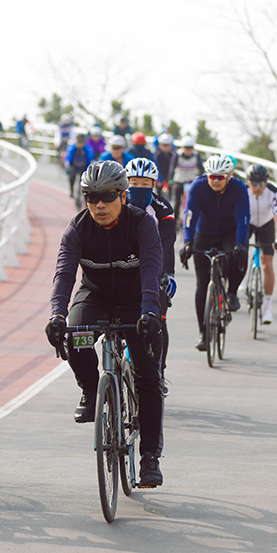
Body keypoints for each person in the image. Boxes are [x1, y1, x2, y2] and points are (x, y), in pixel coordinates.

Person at [45, 160, 166, 486]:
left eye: (108, 196)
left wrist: (150, 312)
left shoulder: (141, 224)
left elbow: (151, 270)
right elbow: (64, 274)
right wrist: (56, 314)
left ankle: (150, 456)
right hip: (95, 296)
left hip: (138, 300)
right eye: (91, 197)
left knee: (147, 376)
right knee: (75, 337)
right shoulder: (77, 229)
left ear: (123, 196)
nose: (99, 205)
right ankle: (89, 388)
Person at [179, 154, 250, 351]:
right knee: (202, 283)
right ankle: (203, 332)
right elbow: (189, 215)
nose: (216, 181)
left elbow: (243, 217)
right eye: (212, 177)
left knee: (237, 255)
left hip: (229, 231)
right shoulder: (198, 186)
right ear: (207, 176)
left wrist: (240, 244)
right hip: (205, 231)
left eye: (221, 177)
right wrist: (187, 242)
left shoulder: (239, 188)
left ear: (230, 176)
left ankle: (232, 292)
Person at [126, 158, 176, 397]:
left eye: (145, 183)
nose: (138, 187)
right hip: (122, 267)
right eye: (133, 182)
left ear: (154, 184)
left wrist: (168, 274)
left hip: (152, 268)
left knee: (159, 318)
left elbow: (168, 241)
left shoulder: (162, 208)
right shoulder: (116, 201)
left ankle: (159, 372)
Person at [245, 164, 277, 324]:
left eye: (261, 184)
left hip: (265, 224)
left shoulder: (274, 193)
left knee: (267, 264)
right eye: (253, 184)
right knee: (237, 254)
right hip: (247, 222)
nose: (257, 188)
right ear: (247, 181)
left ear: (266, 182)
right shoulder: (242, 190)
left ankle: (268, 307)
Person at [169, 135, 204, 218]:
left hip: (191, 182)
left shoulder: (196, 155)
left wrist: (202, 181)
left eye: (190, 148)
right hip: (179, 182)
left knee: (191, 202)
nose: (188, 150)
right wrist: (171, 180)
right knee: (177, 202)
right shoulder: (177, 155)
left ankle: (189, 219)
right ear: (182, 147)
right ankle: (175, 222)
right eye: (186, 147)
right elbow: (172, 168)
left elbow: (201, 169)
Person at [64, 132, 94, 201]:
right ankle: (71, 191)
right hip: (74, 167)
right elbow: (68, 157)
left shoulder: (87, 148)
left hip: (83, 168)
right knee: (71, 177)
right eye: (79, 140)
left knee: (85, 181)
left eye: (81, 140)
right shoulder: (72, 148)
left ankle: (84, 194)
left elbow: (91, 158)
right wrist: (68, 165)